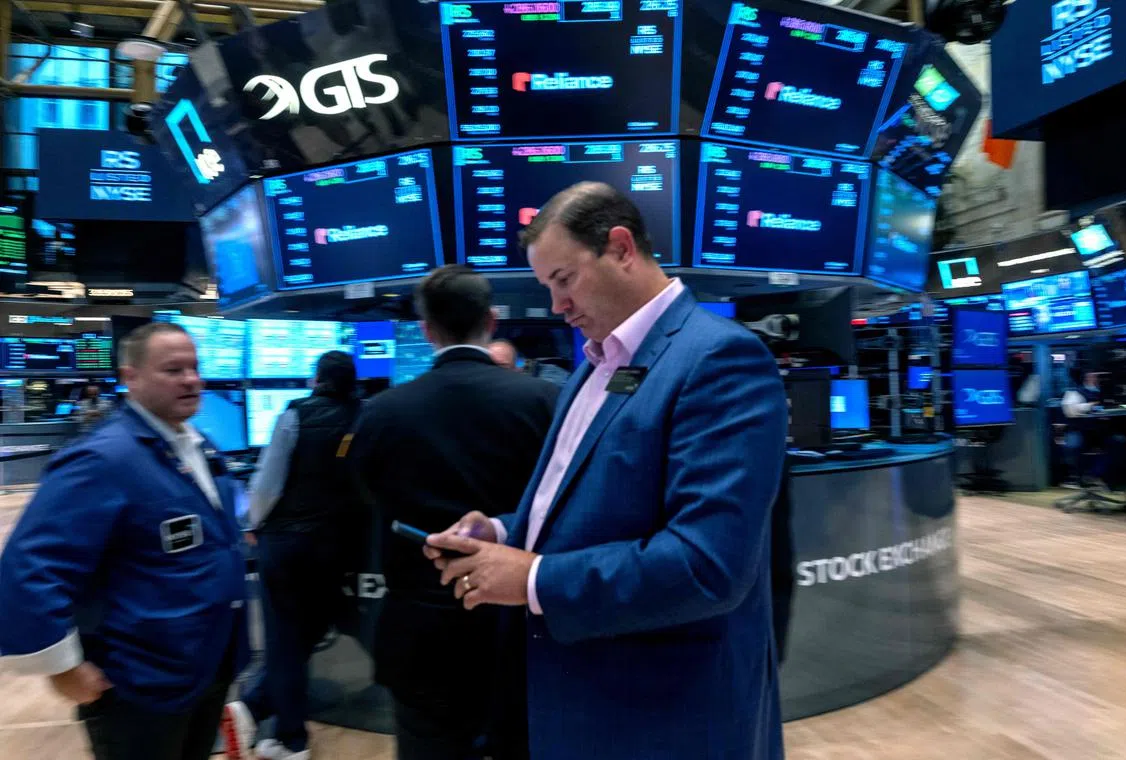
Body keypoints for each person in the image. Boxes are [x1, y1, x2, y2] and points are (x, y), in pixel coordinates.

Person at [426, 182, 788, 760]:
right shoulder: (592, 367)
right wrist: (500, 531)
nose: (556, 306)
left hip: (662, 714)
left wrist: (533, 579)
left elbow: (708, 565)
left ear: (620, 247)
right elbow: (587, 508)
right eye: (548, 287)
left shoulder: (718, 358)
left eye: (563, 279)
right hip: (579, 698)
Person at [0, 322, 248, 760]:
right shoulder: (102, 459)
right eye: (173, 370)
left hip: (204, 666)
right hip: (140, 683)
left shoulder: (196, 444)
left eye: (194, 367)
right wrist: (62, 666)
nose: (191, 380)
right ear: (130, 377)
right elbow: (29, 567)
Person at [346, 265, 559, 760]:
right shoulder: (544, 400)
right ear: (492, 320)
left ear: (425, 329)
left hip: (420, 636)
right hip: (518, 628)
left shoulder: (382, 411)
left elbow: (364, 494)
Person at [222, 351, 361, 760]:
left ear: (317, 379)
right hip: (337, 544)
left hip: (288, 544)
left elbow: (268, 483)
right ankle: (252, 707)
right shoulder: (366, 416)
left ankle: (289, 737)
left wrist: (250, 521)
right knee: (307, 634)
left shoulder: (295, 414)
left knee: (284, 640)